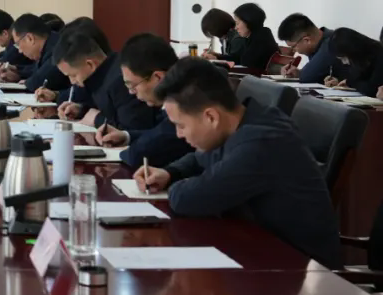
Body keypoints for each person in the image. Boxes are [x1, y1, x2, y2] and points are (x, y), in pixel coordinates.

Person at [133, 57, 341, 269]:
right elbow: (200, 156)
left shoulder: (261, 143)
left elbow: (189, 198)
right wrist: (170, 172)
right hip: (259, 251)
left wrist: (176, 186)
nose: (179, 134)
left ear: (211, 117)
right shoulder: (245, 120)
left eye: (181, 125)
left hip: (298, 270)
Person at [95, 33, 192, 168]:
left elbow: (139, 154)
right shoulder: (179, 91)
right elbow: (157, 133)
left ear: (158, 77)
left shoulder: (186, 104)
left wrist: (126, 152)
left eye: (133, 86)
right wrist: (126, 136)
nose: (131, 92)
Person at [51, 29, 160, 130]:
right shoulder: (100, 75)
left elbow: (131, 129)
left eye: (73, 75)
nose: (72, 81)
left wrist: (96, 119)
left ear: (90, 64)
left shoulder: (120, 80)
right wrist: (81, 110)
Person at [276, 13, 345, 84]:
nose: (293, 50)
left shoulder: (331, 44)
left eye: (293, 47)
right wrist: (298, 72)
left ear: (307, 40)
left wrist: (302, 74)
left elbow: (307, 77)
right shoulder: (321, 40)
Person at [205, 3, 278, 71]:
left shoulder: (261, 37)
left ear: (248, 21)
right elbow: (238, 58)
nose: (236, 28)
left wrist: (218, 59)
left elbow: (247, 62)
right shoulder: (255, 35)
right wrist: (217, 57)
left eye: (237, 23)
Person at [10, 13, 70, 94]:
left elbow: (39, 81)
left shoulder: (57, 47)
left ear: (30, 38)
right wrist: (16, 70)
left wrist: (26, 82)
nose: (20, 51)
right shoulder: (50, 42)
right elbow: (36, 70)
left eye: (18, 44)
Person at [0, 9, 34, 82]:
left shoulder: (17, 45)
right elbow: (7, 52)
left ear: (5, 33)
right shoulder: (13, 43)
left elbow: (6, 60)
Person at [327, 27, 383, 97]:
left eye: (344, 58)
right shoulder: (360, 59)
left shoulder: (379, 54)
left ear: (352, 51)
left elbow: (372, 89)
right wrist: (338, 82)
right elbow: (357, 80)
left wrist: (350, 83)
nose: (344, 62)